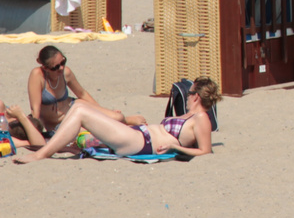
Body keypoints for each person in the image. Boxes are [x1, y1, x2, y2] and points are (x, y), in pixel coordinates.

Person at [14, 77, 218, 163]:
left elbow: (205, 151)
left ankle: (40, 155)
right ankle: (46, 146)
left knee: (80, 111)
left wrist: (178, 149)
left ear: (196, 96)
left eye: (190, 93)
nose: (188, 97)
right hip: (140, 136)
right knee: (80, 107)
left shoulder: (201, 118)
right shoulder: (190, 116)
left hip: (144, 144)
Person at [27, 45, 120, 139]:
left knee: (117, 118)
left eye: (63, 62)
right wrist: (35, 132)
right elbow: (35, 109)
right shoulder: (37, 75)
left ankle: (132, 121)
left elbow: (82, 94)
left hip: (73, 107)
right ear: (45, 68)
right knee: (98, 130)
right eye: (56, 67)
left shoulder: (66, 73)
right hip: (56, 124)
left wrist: (100, 111)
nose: (61, 68)